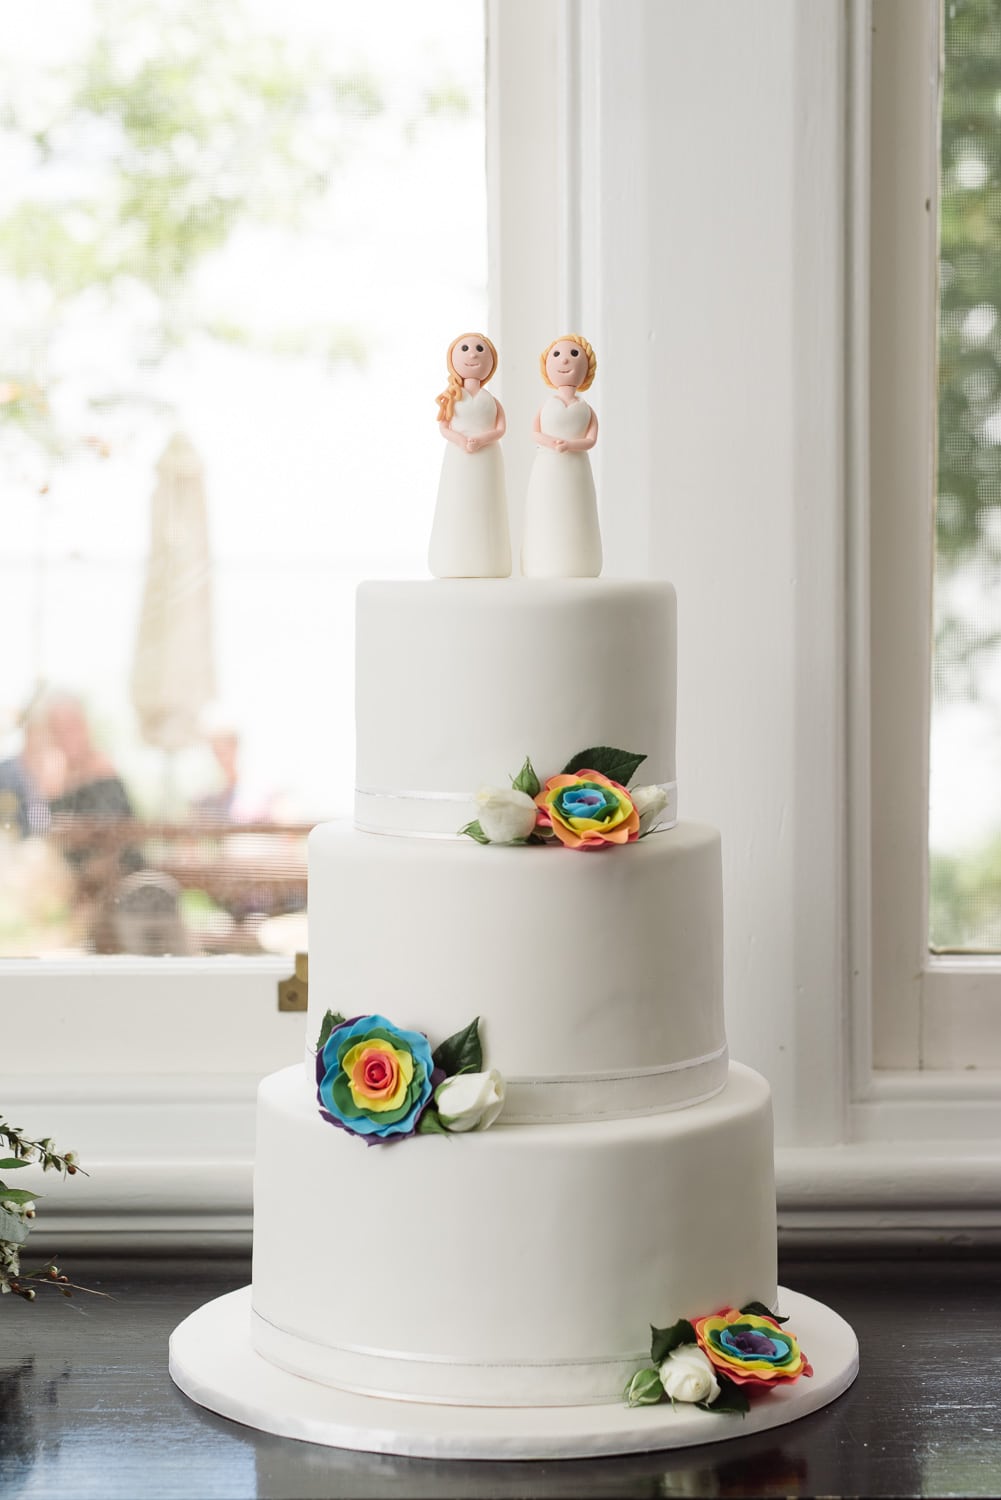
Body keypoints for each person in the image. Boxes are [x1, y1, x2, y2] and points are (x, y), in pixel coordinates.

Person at [428, 332, 512, 578]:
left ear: (492, 362)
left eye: (479, 349)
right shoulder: (452, 397)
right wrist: (462, 441)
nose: (473, 354)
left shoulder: (491, 400)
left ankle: (489, 561)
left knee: (487, 504)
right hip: (458, 458)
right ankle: (453, 560)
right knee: (458, 502)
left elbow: (501, 428)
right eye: (465, 349)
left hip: (488, 458)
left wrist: (482, 440)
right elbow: (443, 426)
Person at [521, 334, 602, 578]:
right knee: (547, 508)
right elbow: (535, 432)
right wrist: (552, 443)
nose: (565, 359)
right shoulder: (547, 405)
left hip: (576, 468)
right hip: (547, 467)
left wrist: (570, 445)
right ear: (546, 365)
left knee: (576, 511)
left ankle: (580, 562)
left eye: (574, 354)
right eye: (557, 354)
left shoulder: (586, 410)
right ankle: (541, 561)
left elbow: (591, 440)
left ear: (587, 368)